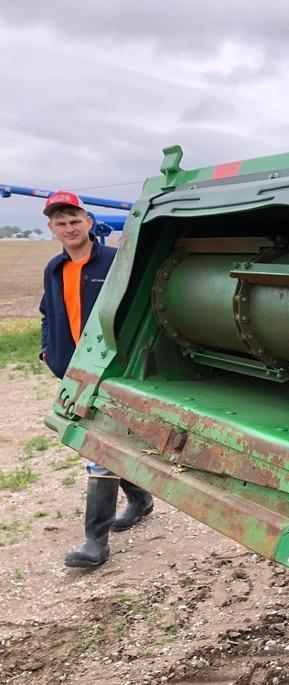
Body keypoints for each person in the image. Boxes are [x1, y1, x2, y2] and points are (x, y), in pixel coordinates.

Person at [39, 191, 154, 568]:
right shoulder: (55, 268)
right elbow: (47, 313)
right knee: (104, 443)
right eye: (61, 222)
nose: (69, 227)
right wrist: (47, 351)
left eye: (74, 220)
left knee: (96, 447)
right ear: (52, 227)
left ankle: (95, 540)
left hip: (110, 367)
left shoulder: (114, 261)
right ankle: (140, 498)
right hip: (73, 369)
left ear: (88, 221)